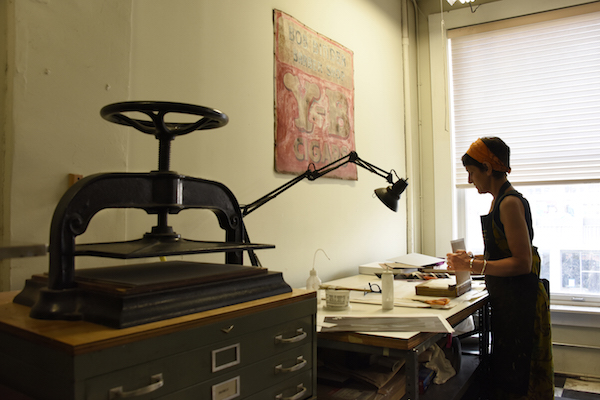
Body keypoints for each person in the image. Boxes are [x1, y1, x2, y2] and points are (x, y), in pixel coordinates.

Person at [446, 137, 553, 400]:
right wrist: (471, 258)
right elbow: (503, 252)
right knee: (506, 375)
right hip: (509, 303)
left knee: (519, 381)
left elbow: (522, 262)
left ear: (487, 167)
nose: (470, 180)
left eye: (471, 173)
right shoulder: (498, 201)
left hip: (522, 305)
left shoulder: (509, 203)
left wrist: (472, 265)